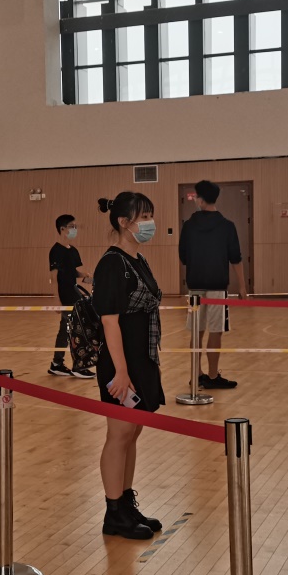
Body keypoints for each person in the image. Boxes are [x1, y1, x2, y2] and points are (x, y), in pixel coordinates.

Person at [93, 191, 165, 540]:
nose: (150, 223)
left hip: (141, 360)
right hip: (120, 363)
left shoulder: (138, 259)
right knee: (119, 434)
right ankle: (113, 514)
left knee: (132, 433)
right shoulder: (112, 264)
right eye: (143, 217)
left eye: (150, 215)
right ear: (124, 222)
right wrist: (120, 372)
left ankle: (125, 504)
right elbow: (110, 322)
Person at [178, 179, 245, 389]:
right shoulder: (227, 226)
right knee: (216, 331)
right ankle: (213, 376)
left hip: (195, 286)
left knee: (196, 331)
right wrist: (242, 286)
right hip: (218, 286)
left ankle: (196, 374)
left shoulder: (188, 226)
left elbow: (183, 257)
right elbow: (236, 258)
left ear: (201, 199)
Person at [48, 213, 94, 379]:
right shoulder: (56, 251)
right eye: (72, 227)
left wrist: (86, 276)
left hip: (75, 294)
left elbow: (73, 272)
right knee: (72, 330)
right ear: (62, 229)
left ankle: (57, 364)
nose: (75, 229)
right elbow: (54, 277)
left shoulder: (73, 251)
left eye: (75, 227)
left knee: (69, 330)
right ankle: (78, 365)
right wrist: (56, 299)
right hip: (65, 296)